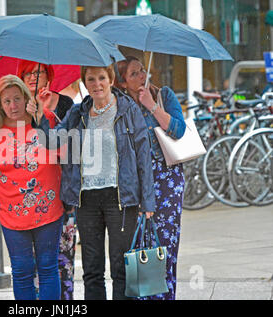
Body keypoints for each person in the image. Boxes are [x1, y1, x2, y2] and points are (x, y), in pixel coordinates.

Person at [27, 64, 156, 300]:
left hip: (121, 197)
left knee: (121, 268)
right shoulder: (78, 113)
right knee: (92, 269)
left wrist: (147, 202)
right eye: (91, 79)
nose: (96, 84)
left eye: (101, 78)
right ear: (85, 83)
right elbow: (53, 143)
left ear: (110, 79)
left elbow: (143, 157)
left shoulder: (128, 110)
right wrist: (40, 115)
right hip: (87, 199)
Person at [0, 74, 64, 300]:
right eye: (6, 101)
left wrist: (39, 116)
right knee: (21, 269)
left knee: (47, 267)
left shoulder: (43, 117)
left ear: (25, 97)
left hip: (46, 206)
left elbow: (60, 152)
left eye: (17, 99)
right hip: (11, 210)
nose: (12, 106)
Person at [115, 56, 186, 300]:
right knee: (139, 243)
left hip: (167, 178)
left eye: (142, 70)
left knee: (164, 243)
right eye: (134, 74)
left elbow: (178, 130)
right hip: (136, 181)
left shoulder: (163, 95)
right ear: (123, 82)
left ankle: (166, 296)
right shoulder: (120, 104)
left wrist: (152, 106)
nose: (142, 76)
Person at [17, 60, 77, 300]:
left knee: (62, 259)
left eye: (38, 72)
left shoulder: (65, 104)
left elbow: (68, 143)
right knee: (30, 262)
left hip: (61, 191)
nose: (32, 77)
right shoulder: (15, 105)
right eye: (27, 73)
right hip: (28, 193)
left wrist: (43, 112)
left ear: (49, 76)